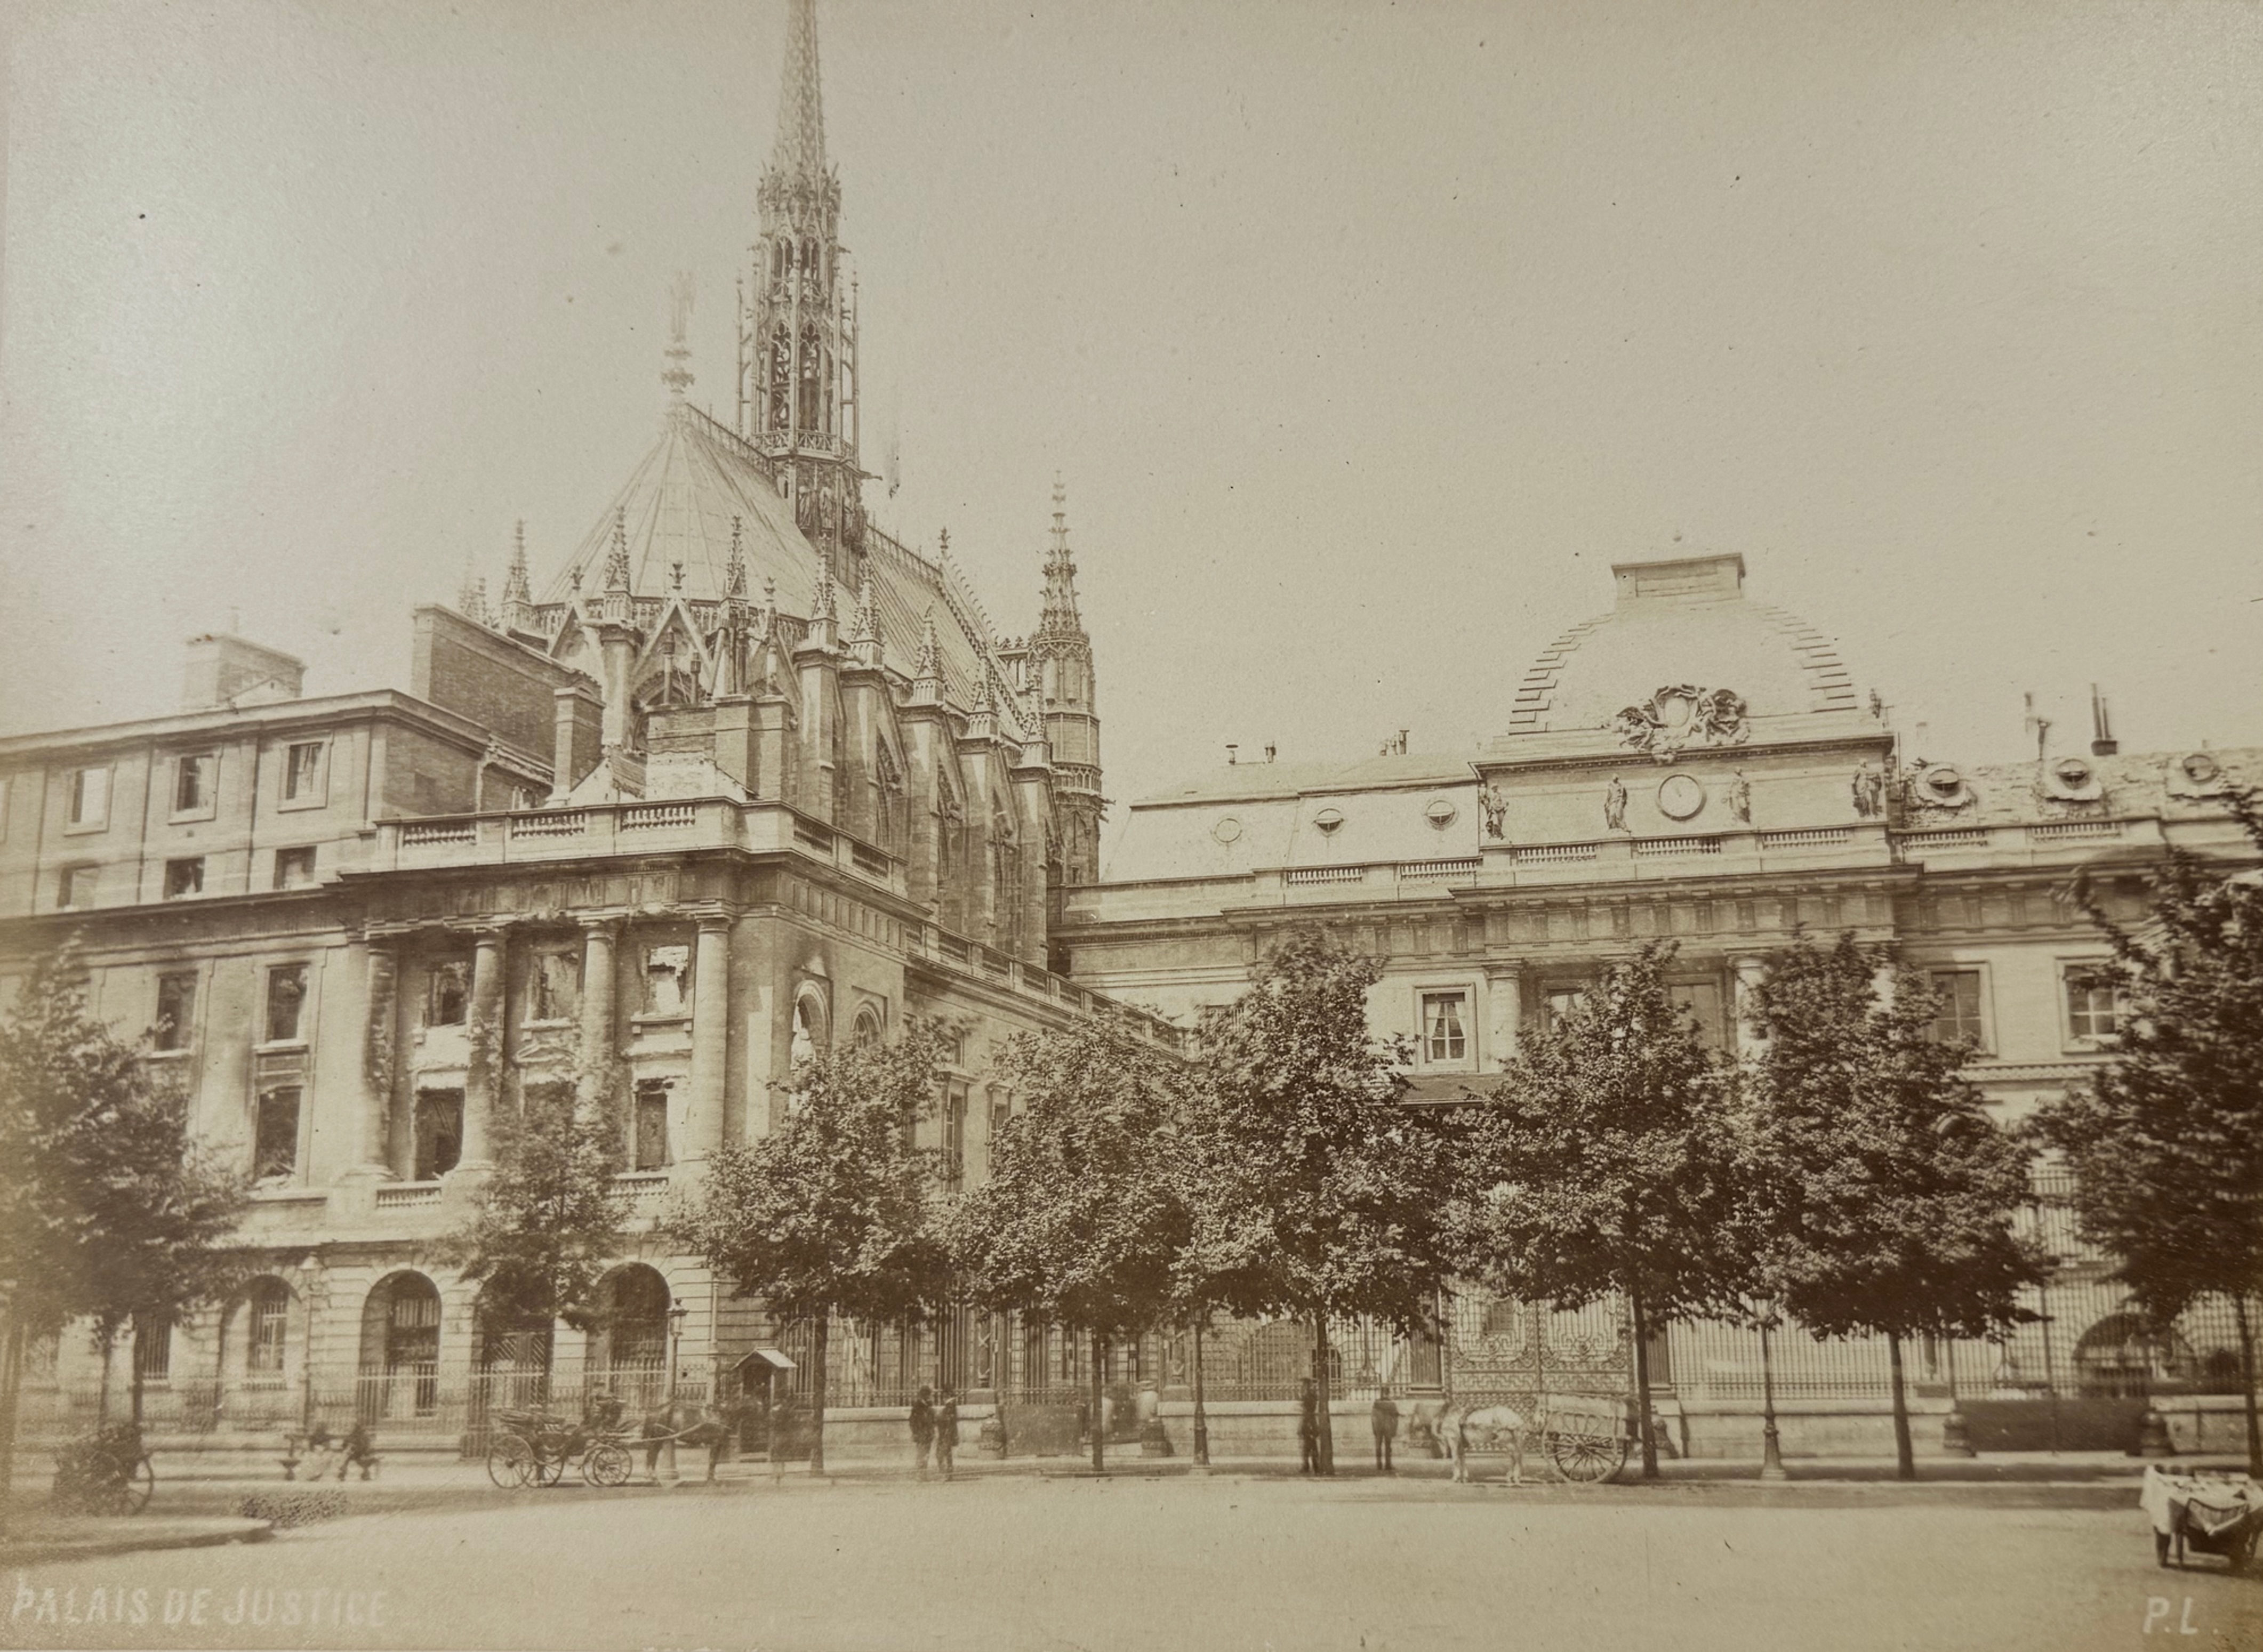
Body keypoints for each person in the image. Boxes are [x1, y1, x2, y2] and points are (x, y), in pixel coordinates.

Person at [909, 1384, 936, 1480]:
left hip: (927, 1434)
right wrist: (916, 1432)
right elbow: (912, 1421)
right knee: (922, 1454)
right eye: (928, 1395)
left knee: (926, 1454)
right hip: (921, 1434)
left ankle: (923, 1474)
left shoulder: (928, 1405)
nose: (929, 1397)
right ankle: (920, 1474)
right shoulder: (918, 1406)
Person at [1371, 1385, 1399, 1473]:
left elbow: (1373, 1417)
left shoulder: (1376, 1404)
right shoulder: (1392, 1405)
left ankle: (1379, 1464)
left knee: (1378, 1446)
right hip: (1388, 1427)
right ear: (1388, 1393)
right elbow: (1395, 1418)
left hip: (1378, 1427)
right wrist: (1394, 1429)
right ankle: (1388, 1464)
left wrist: (1374, 1429)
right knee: (1388, 1446)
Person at [1297, 1378, 1322, 1476]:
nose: (1301, 1387)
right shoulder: (1310, 1395)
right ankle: (1309, 1466)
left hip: (1309, 1423)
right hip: (1309, 1422)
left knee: (1310, 1446)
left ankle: (1313, 1467)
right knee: (1308, 1447)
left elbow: (1308, 1411)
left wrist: (1304, 1426)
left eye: (1303, 1385)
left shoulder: (1308, 1396)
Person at [933, 1390, 959, 1481]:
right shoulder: (951, 1406)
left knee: (941, 1454)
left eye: (944, 1397)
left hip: (945, 1435)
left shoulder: (950, 1407)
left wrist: (938, 1418)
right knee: (946, 1454)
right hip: (947, 1434)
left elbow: (947, 1420)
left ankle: (946, 1474)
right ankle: (948, 1474)